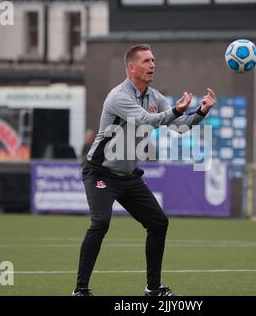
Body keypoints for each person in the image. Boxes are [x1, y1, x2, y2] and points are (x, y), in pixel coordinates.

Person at [72, 44, 217, 296]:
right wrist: (174, 111)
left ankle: (153, 289)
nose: (153, 65)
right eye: (147, 61)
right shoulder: (118, 96)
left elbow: (180, 126)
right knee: (101, 223)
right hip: (100, 172)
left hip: (128, 176)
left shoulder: (154, 96)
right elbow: (146, 120)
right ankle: (80, 291)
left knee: (159, 223)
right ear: (131, 67)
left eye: (154, 60)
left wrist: (201, 111)